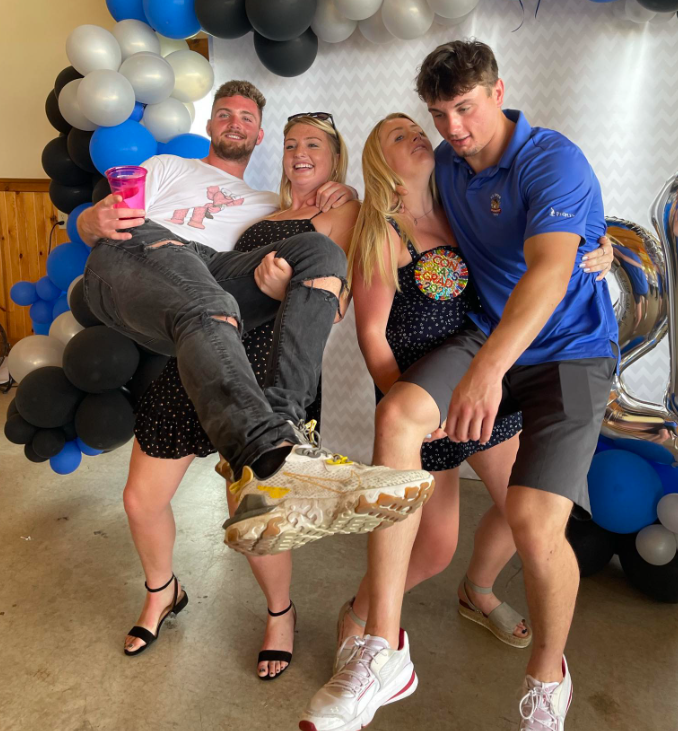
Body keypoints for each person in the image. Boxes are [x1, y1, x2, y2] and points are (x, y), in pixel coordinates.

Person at [300, 42, 618, 731]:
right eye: (438, 115)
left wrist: (600, 244)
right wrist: (337, 194)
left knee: (533, 521)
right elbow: (383, 200)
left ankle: (548, 679)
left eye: (466, 109)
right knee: (397, 418)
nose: (452, 129)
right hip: (485, 335)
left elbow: (549, 270)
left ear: (498, 92)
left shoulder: (550, 158)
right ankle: (382, 646)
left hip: (569, 352)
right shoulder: (444, 166)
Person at [77, 80, 433, 561]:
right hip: (141, 263)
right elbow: (108, 221)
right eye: (225, 114)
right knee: (202, 298)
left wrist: (341, 198)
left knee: (313, 253)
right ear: (210, 124)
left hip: (218, 314)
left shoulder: (269, 205)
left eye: (313, 145)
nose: (299, 153)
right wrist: (89, 222)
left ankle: (285, 440)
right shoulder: (166, 166)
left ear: (258, 135)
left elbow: (332, 294)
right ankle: (267, 456)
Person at [124, 112, 360, 677]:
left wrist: (286, 288)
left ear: (335, 157)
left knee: (253, 514)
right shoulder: (261, 212)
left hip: (271, 372)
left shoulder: (343, 211)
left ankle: (280, 612)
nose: (300, 153)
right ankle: (162, 591)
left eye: (314, 144)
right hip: (208, 350)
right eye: (291, 143)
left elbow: (336, 305)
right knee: (140, 497)